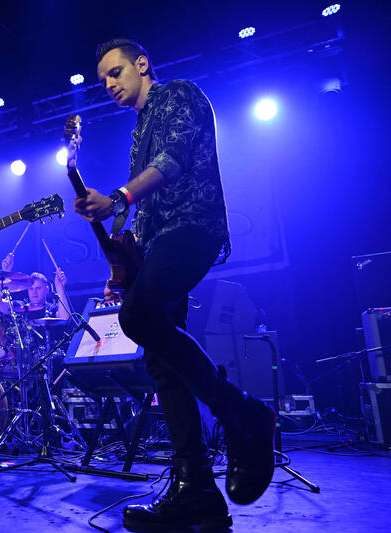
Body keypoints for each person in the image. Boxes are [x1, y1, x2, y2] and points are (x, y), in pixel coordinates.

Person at [74, 39, 275, 531]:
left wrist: (118, 196)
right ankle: (197, 492)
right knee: (163, 364)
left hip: (193, 228)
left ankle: (242, 412)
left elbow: (174, 161)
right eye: (103, 81)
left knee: (137, 317)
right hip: (158, 242)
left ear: (143, 64)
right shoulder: (138, 130)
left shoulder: (179, 95)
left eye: (116, 72)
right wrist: (123, 254)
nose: (110, 85)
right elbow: (144, 212)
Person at [0, 252, 70, 320]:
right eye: (31, 289)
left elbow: (65, 318)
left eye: (38, 288)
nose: (34, 292)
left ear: (47, 290)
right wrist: (5, 272)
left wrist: (60, 288)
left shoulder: (52, 309)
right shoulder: (20, 306)